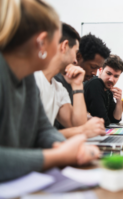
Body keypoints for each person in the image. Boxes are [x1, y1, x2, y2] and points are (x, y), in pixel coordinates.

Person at [0, 0, 99, 182]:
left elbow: (43, 130)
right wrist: (58, 156)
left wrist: (74, 150)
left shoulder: (27, 77)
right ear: (41, 42)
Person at [34, 23, 106, 138]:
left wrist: (77, 85)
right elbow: (30, 138)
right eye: (75, 52)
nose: (75, 60)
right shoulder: (32, 79)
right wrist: (82, 131)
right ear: (64, 46)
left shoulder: (58, 87)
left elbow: (77, 125)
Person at [54, 33, 111, 104]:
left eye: (98, 68)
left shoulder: (79, 83)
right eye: (93, 67)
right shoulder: (57, 81)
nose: (94, 73)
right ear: (78, 57)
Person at [84, 55, 123, 127]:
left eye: (116, 76)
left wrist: (119, 101)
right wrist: (107, 120)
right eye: (108, 73)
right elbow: (104, 122)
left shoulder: (108, 90)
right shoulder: (95, 84)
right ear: (100, 70)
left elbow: (116, 119)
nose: (111, 79)